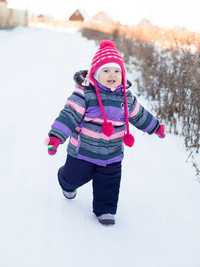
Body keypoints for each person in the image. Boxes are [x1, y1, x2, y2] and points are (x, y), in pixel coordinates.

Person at [45, 40, 166, 226]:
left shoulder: (126, 98)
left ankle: (106, 209)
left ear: (123, 75)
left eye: (117, 71)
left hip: (112, 154)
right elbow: (69, 114)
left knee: (109, 182)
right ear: (95, 74)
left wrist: (155, 127)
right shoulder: (85, 94)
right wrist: (56, 136)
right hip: (83, 151)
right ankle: (65, 181)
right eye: (106, 70)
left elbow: (139, 115)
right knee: (73, 178)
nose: (112, 75)